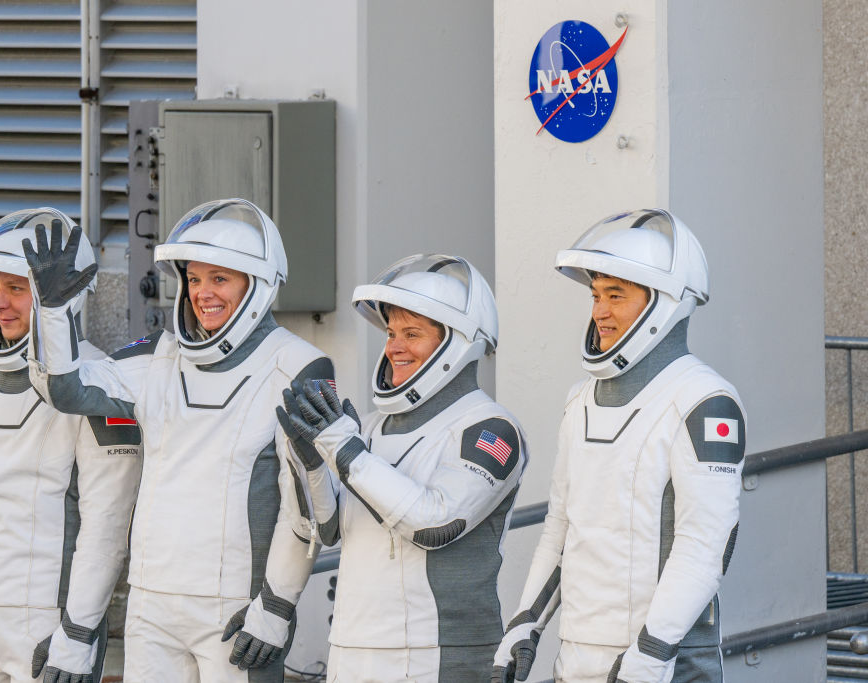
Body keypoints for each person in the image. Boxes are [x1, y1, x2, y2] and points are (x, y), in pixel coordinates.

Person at [21, 198, 334, 682]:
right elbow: (66, 390)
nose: (203, 293)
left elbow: (307, 508)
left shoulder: (298, 365)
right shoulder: (156, 356)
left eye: (219, 278)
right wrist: (55, 313)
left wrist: (276, 605)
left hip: (236, 610)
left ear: (258, 283)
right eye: (194, 279)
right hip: (151, 606)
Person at [492, 209, 746, 683]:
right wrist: (525, 624)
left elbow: (707, 545)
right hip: (577, 655)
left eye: (616, 295)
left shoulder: (705, 399)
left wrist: (652, 653)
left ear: (665, 302)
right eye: (595, 295)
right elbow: (561, 527)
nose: (599, 312)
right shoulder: (580, 399)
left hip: (666, 663)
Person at [0, 208, 142, 683]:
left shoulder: (101, 381)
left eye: (17, 288)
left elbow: (107, 525)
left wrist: (78, 632)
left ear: (64, 296)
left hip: (47, 625)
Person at [279, 254, 528, 682]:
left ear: (457, 343)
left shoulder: (491, 428)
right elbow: (328, 529)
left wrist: (344, 449)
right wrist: (310, 462)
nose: (393, 347)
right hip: (353, 646)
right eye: (391, 333)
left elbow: (434, 524)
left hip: (439, 653)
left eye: (412, 334)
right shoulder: (367, 427)